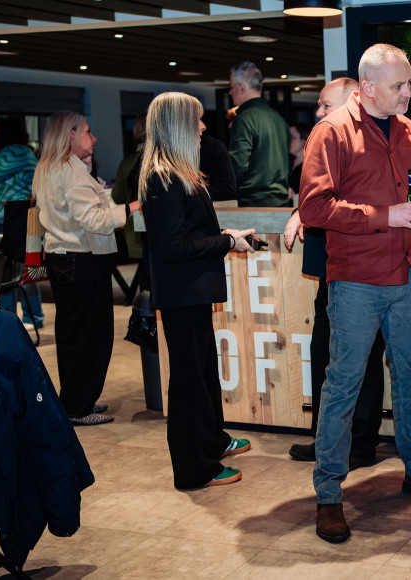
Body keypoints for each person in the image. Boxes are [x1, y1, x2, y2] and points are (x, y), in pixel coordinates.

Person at [299, 43, 411, 544]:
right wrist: (385, 217)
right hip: (356, 280)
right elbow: (315, 208)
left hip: (409, 276)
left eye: (408, 83)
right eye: (399, 85)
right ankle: (329, 493)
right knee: (343, 386)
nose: (408, 92)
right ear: (368, 87)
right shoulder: (331, 131)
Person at [139, 92, 256, 489]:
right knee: (188, 383)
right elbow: (174, 248)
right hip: (182, 293)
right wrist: (226, 242)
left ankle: (210, 444)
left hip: (191, 292)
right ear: (178, 126)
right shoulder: (164, 177)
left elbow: (188, 235)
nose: (204, 128)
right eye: (197, 121)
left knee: (202, 375)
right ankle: (193, 470)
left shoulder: (176, 173)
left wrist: (224, 236)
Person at [283, 77, 386, 471]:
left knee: (352, 359)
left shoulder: (357, 143)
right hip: (335, 269)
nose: (318, 113)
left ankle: (354, 445)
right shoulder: (334, 141)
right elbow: (314, 192)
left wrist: (303, 211)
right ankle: (333, 441)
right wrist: (298, 211)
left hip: (354, 270)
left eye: (326, 105)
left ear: (350, 102)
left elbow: (342, 200)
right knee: (331, 356)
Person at [34, 110, 139, 425]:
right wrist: (131, 207)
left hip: (64, 257)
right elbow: (94, 220)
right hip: (81, 259)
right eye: (88, 132)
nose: (94, 138)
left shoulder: (52, 167)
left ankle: (76, 401)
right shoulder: (71, 170)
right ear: (70, 135)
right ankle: (77, 406)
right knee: (90, 335)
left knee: (74, 333)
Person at [0, 116, 45, 329]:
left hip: (12, 218)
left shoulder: (15, 151)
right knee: (23, 267)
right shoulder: (22, 151)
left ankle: (14, 319)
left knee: (10, 270)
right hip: (18, 217)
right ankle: (31, 317)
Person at [228, 61, 291, 207]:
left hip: (254, 204)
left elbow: (237, 165)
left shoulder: (244, 119)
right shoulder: (278, 118)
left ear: (242, 88)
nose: (230, 92)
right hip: (281, 202)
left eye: (232, 87)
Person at [112, 113, 147, 263]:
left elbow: (118, 197)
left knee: (146, 277)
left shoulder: (128, 163)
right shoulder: (168, 161)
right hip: (163, 235)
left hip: (136, 232)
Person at [288, 122, 310, 200]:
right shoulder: (286, 165)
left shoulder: (310, 168)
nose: (288, 140)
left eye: (293, 137)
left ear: (305, 139)